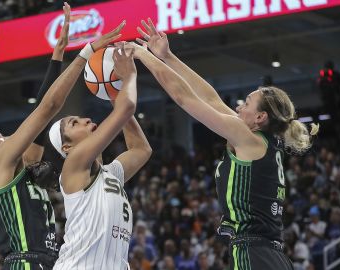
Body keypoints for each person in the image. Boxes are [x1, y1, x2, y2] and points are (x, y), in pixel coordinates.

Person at [131, 18, 318, 269]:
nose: (239, 107)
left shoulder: (247, 138)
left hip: (252, 251)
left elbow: (183, 97)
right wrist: (168, 56)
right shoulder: (261, 141)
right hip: (272, 256)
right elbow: (210, 98)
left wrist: (144, 56)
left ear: (260, 117)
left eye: (247, 103)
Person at [0, 3, 125, 268]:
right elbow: (47, 109)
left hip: (51, 262)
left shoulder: (25, 166)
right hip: (25, 263)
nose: (6, 136)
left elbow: (39, 113)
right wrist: (86, 52)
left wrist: (57, 57)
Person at [50, 42, 152, 269]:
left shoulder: (110, 174)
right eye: (74, 123)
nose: (85, 119)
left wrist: (111, 90)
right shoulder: (73, 165)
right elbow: (126, 109)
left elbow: (140, 149)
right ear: (66, 148)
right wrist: (127, 77)